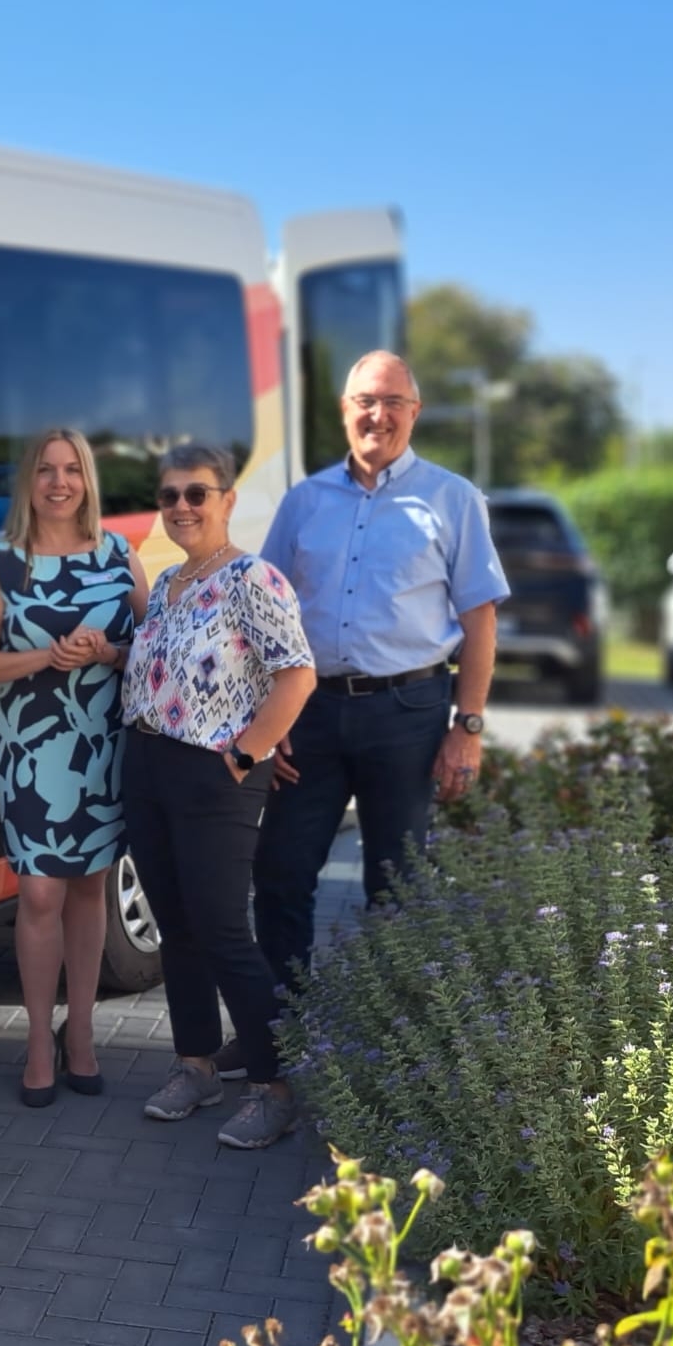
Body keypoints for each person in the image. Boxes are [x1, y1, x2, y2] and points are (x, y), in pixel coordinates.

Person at [250, 350, 507, 1034]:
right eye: (366, 400)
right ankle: (284, 1031)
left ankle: (393, 1041)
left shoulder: (453, 499)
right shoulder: (304, 502)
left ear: (414, 413)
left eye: (394, 402)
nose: (378, 414)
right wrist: (265, 722)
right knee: (280, 874)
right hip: (309, 715)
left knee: (397, 888)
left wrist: (467, 727)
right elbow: (265, 613)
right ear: (344, 411)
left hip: (410, 713)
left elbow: (480, 619)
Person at [120, 444, 316, 1147]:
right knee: (178, 929)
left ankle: (273, 1085)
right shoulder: (168, 581)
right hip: (145, 766)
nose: (181, 507)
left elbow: (297, 674)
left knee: (225, 930)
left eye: (196, 494)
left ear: (228, 500)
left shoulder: (251, 579)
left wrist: (247, 752)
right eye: (169, 495)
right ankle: (196, 1064)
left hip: (214, 774)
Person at [0, 429, 143, 1107]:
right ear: (27, 482)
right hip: (33, 750)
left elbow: (152, 651)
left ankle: (84, 1032)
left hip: (102, 746)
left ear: (88, 479)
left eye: (72, 470)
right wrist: (46, 658)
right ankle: (40, 1039)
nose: (59, 483)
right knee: (39, 894)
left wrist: (110, 655)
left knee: (92, 887)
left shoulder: (120, 555)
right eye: (45, 470)